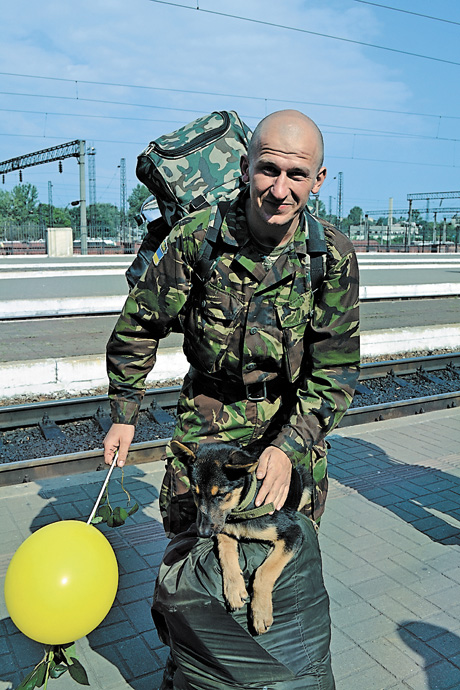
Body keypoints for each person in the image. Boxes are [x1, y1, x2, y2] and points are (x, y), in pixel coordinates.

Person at [103, 109, 359, 686]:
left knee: (282, 550)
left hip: (286, 425)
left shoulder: (332, 258)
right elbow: (140, 322)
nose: (279, 188)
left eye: (297, 175)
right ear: (246, 168)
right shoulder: (198, 239)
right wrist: (124, 413)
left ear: (318, 181)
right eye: (267, 169)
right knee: (192, 554)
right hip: (207, 421)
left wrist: (291, 446)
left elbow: (336, 372)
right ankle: (189, 669)